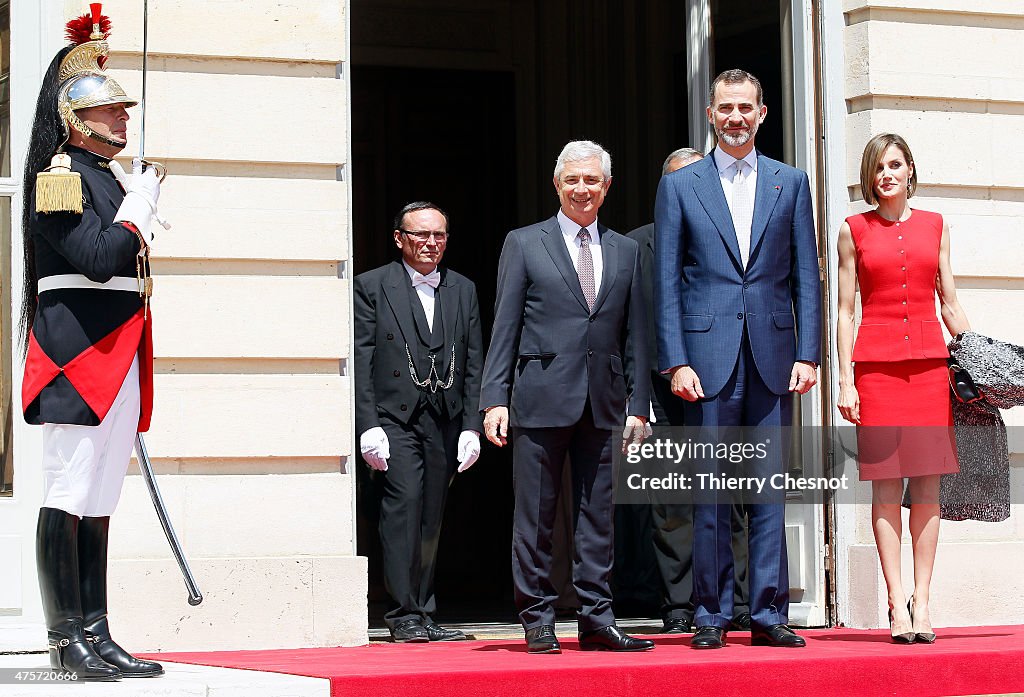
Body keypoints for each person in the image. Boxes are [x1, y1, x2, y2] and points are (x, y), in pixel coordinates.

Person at [654, 69, 822, 649]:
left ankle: (769, 614)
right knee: (710, 490)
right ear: (709, 114)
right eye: (726, 108)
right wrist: (675, 359)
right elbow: (667, 280)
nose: (735, 117)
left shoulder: (790, 182)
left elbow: (807, 276)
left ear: (763, 113)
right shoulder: (682, 185)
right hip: (706, 358)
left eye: (746, 108)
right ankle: (710, 614)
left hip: (775, 357)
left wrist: (809, 353)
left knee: (769, 488)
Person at [20, 6, 164, 681]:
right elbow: (101, 256)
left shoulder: (107, 179)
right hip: (76, 356)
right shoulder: (60, 178)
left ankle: (97, 631)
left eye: (122, 111)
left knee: (102, 495)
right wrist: (138, 211)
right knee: (70, 489)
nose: (122, 119)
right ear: (78, 121)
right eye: (109, 114)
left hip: (118, 351)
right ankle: (63, 636)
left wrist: (132, 200)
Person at [480, 140, 653, 654]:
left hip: (603, 402)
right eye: (573, 180)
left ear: (606, 188)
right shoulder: (525, 243)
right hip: (539, 396)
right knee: (535, 515)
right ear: (557, 185)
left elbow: (636, 336)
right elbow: (504, 325)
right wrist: (494, 398)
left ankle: (597, 619)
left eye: (592, 181)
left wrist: (638, 404)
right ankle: (537, 617)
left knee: (598, 518)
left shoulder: (627, 250)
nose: (582, 189)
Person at [836, 133, 969, 644]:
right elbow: (845, 310)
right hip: (878, 372)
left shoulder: (936, 226)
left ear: (910, 169)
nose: (886, 174)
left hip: (931, 370)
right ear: (870, 178)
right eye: (878, 168)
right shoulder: (854, 230)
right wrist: (846, 380)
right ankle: (895, 603)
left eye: (895, 165)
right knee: (887, 490)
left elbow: (950, 302)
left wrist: (985, 357)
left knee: (929, 492)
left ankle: (924, 600)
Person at [627, 147, 752, 635]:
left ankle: (738, 597)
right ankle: (680, 602)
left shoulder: (732, 238)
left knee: (732, 496)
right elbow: (631, 326)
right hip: (663, 394)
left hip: (727, 387)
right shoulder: (635, 247)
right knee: (673, 503)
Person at [354, 202, 483, 643]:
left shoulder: (462, 288)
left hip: (444, 418)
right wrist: (367, 423)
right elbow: (362, 357)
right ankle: (403, 612)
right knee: (403, 509)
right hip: (394, 418)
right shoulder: (372, 286)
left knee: (432, 516)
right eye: (421, 235)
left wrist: (472, 425)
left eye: (440, 236)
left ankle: (425, 611)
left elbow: (473, 364)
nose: (432, 244)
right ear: (399, 238)